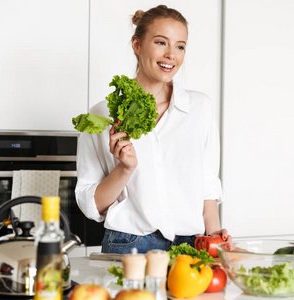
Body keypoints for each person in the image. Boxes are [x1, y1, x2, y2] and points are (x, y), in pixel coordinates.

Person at [75, 5, 230, 254]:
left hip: (191, 245)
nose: (171, 55)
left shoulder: (200, 107)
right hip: (129, 245)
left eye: (180, 46)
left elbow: (207, 182)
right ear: (137, 45)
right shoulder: (101, 115)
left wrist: (214, 237)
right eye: (161, 42)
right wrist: (124, 169)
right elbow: (91, 205)